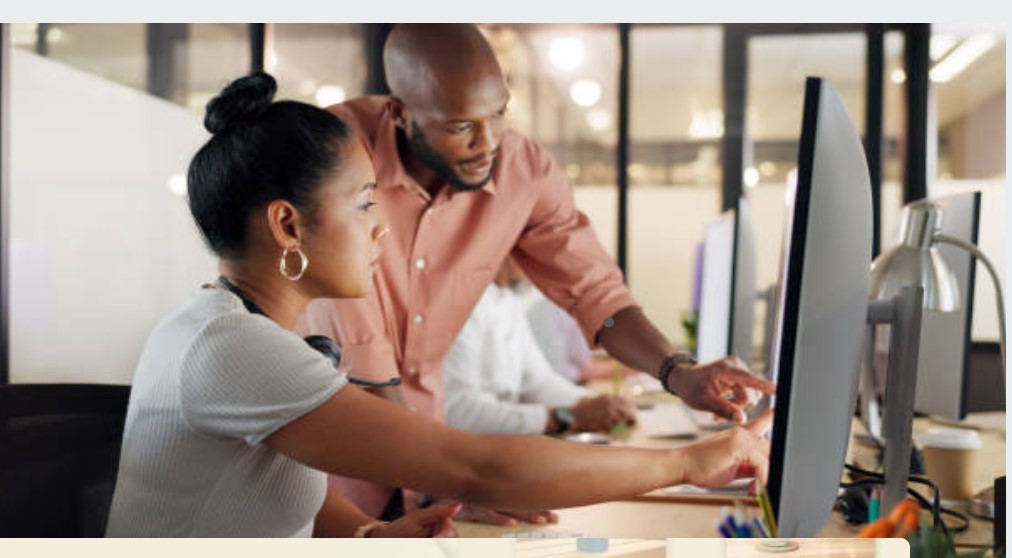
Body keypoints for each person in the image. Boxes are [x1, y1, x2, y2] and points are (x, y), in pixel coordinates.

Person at [104, 73, 772, 537]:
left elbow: (271, 492)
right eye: (365, 204)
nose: (381, 228)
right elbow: (479, 465)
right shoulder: (235, 351)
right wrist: (687, 462)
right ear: (287, 226)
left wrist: (370, 532)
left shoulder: (241, 332)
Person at [296, 23, 777, 523]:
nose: (489, 143)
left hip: (426, 460)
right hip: (327, 475)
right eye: (461, 126)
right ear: (400, 112)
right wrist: (445, 482)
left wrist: (678, 372)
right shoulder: (336, 154)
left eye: (498, 114)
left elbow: (597, 294)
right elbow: (367, 363)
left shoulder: (523, 171)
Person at [444, 258, 636, 435]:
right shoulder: (462, 302)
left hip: (502, 440)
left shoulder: (509, 299)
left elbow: (538, 381)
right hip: (469, 449)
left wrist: (594, 403)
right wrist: (566, 416)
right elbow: (458, 412)